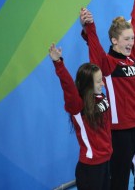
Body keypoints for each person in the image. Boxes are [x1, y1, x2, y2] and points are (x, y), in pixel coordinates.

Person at [79, 0, 135, 190]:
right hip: (120, 133)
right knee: (118, 182)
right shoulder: (108, 64)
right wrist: (89, 26)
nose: (131, 42)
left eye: (132, 38)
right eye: (127, 39)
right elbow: (94, 48)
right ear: (114, 41)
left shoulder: (131, 58)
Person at [48, 43, 112, 190]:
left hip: (106, 161)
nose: (102, 83)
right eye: (98, 81)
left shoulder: (100, 96)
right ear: (88, 84)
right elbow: (68, 86)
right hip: (90, 167)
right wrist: (58, 64)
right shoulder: (77, 106)